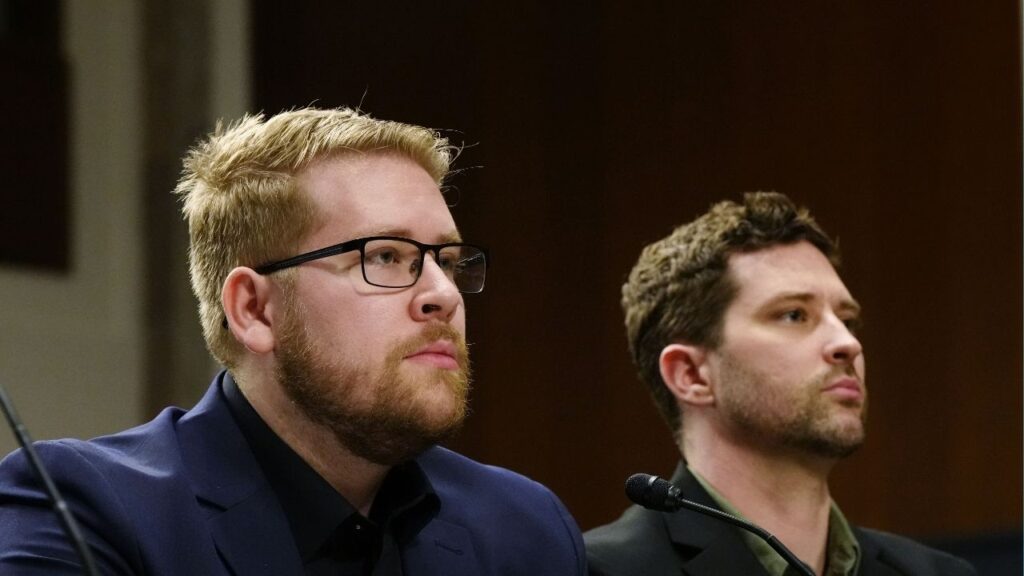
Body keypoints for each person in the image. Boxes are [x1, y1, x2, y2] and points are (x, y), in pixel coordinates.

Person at [0, 107, 586, 575]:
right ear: (254, 310)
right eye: (385, 256)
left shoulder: (524, 528)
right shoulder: (86, 509)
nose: (443, 294)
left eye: (448, 261)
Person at [584, 192, 975, 576]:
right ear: (692, 375)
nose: (848, 343)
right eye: (794, 315)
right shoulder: (600, 570)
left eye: (847, 320)